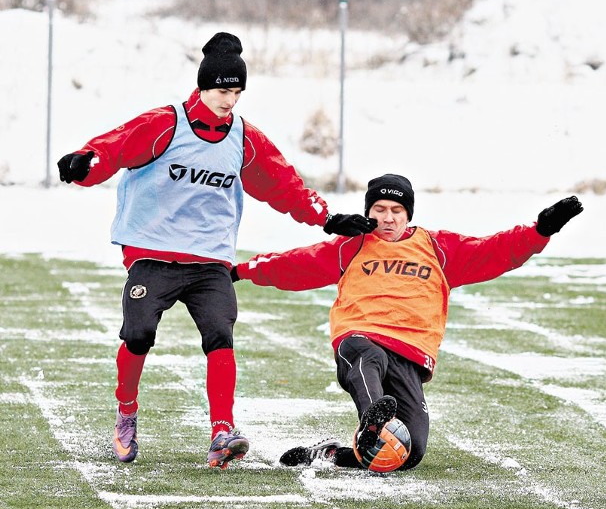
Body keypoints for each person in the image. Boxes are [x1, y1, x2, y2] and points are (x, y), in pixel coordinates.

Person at [57, 32, 376, 469]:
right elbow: (112, 148)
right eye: (223, 91)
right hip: (154, 255)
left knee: (220, 337)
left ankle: (222, 431)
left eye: (237, 92)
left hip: (210, 260)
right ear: (203, 87)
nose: (230, 100)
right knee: (138, 335)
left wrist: (327, 219)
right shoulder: (165, 124)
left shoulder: (244, 138)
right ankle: (126, 414)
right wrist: (84, 162)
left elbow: (284, 186)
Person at [232, 174, 584, 471]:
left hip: (411, 353)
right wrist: (240, 270)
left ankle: (330, 454)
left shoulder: (437, 247)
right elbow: (295, 263)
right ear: (368, 212)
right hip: (361, 335)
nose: (387, 217)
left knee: (407, 453)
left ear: (407, 215)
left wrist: (541, 229)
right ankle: (374, 418)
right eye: (379, 210)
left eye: (396, 211)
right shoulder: (352, 246)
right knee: (366, 356)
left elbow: (495, 250)